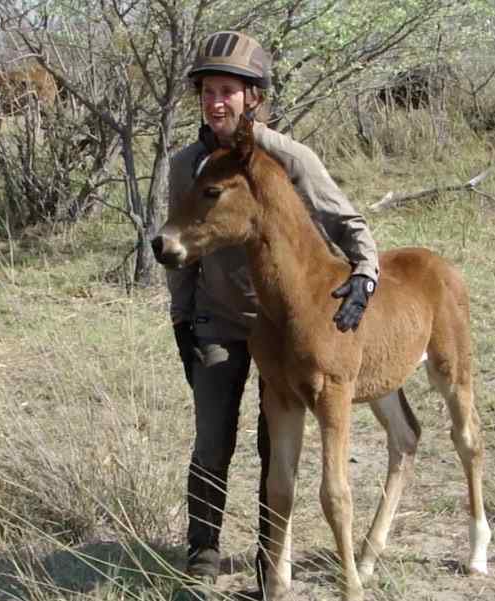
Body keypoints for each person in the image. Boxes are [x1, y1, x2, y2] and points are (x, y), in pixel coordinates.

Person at [163, 30, 381, 589]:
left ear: (252, 97)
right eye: (208, 90)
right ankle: (203, 556)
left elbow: (347, 221)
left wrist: (365, 276)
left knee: (274, 444)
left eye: (229, 91)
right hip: (216, 318)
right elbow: (180, 249)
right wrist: (182, 320)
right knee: (212, 439)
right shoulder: (188, 163)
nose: (217, 102)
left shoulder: (287, 158)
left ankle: (270, 561)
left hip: (281, 327)